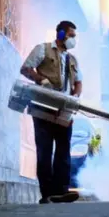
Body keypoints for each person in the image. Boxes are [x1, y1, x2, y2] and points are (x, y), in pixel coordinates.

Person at [20, 20, 83, 204]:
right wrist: (40, 79)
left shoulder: (73, 60)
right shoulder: (42, 49)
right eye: (71, 35)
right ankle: (47, 193)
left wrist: (76, 97)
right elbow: (25, 68)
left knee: (63, 150)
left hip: (64, 109)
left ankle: (61, 191)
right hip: (43, 107)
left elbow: (78, 81)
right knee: (45, 150)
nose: (73, 39)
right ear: (61, 35)